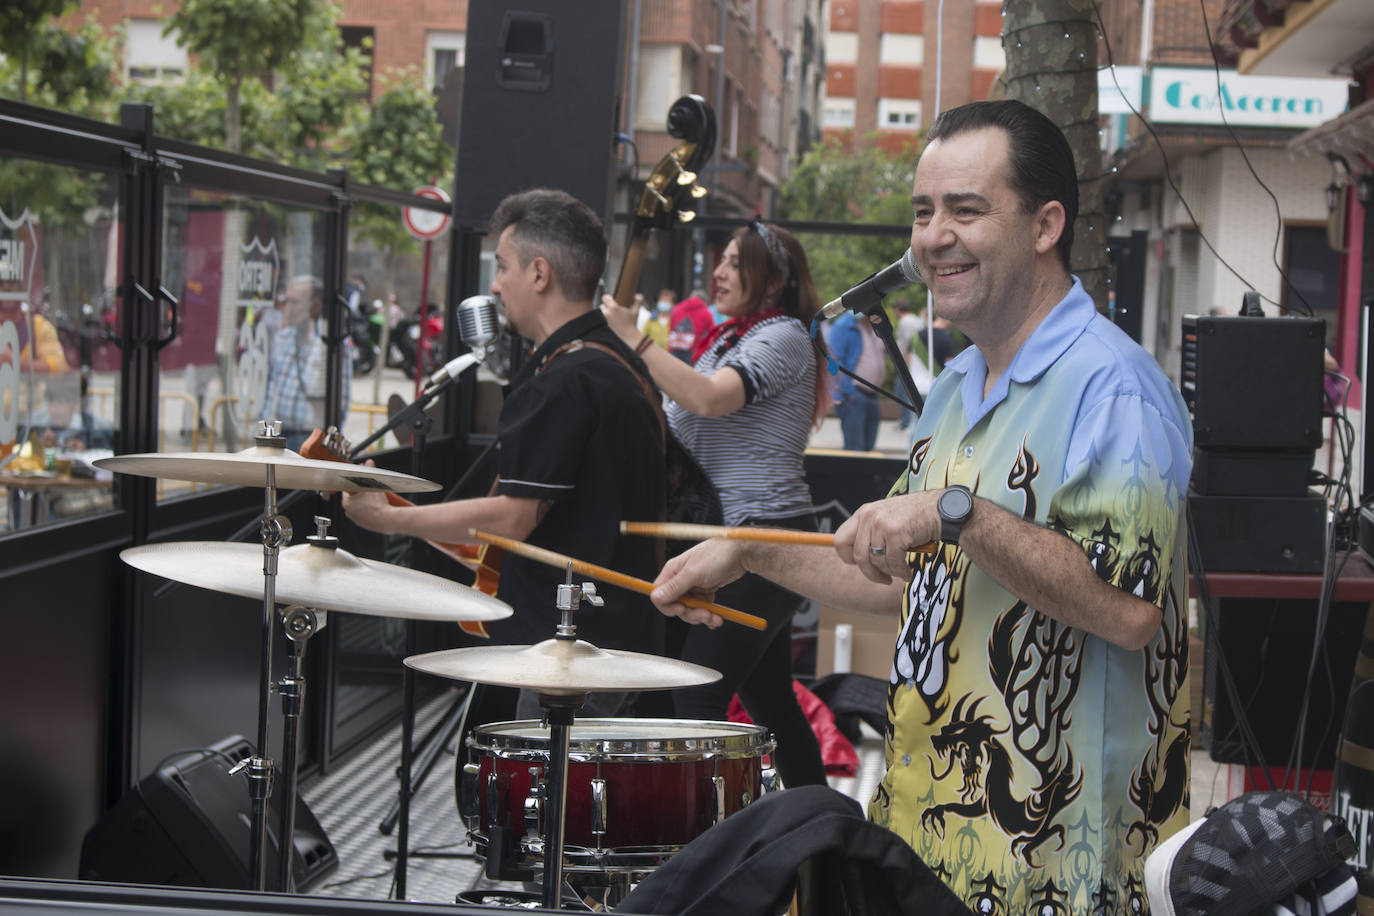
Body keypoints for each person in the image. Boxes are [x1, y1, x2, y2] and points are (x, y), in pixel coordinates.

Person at [647, 100, 1193, 912]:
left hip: (1057, 865)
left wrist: (958, 511)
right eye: (923, 212)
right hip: (927, 839)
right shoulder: (956, 387)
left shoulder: (1112, 387)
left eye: (966, 210)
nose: (933, 236)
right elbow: (899, 578)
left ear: (1046, 225)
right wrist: (750, 550)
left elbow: (1126, 612)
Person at [345, 188, 667, 719]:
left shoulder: (567, 379)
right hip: (612, 642)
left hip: (571, 655)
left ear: (540, 274)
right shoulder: (617, 363)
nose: (495, 285)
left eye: (503, 267)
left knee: (546, 799)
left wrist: (389, 520)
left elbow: (514, 516)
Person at [601, 218, 829, 789]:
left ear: (772, 279)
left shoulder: (784, 336)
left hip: (766, 536)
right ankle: (820, 837)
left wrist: (636, 338)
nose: (719, 271)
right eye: (720, 260)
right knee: (772, 701)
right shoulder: (729, 338)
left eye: (734, 261)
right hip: (728, 538)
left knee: (696, 693)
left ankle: (707, 847)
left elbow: (705, 399)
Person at [258, 275, 351, 452]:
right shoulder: (283, 338)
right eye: (286, 302)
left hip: (310, 437)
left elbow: (341, 402)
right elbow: (272, 389)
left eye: (295, 302)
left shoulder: (328, 344)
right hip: (278, 436)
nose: (288, 308)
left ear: (315, 307)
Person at [829, 308, 887, 451]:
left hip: (872, 394)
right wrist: (847, 391)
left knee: (868, 450)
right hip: (855, 394)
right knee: (855, 450)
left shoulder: (873, 325)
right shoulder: (843, 326)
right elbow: (834, 361)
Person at [32, 371, 113, 451]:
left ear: (75, 404)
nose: (54, 409)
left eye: (61, 402)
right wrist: (38, 446)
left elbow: (106, 458)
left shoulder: (99, 430)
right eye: (50, 401)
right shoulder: (34, 425)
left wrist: (85, 452)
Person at [667, 289, 716, 362]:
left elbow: (670, 328)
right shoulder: (707, 312)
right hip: (693, 353)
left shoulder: (677, 308)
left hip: (674, 349)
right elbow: (712, 333)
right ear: (704, 301)